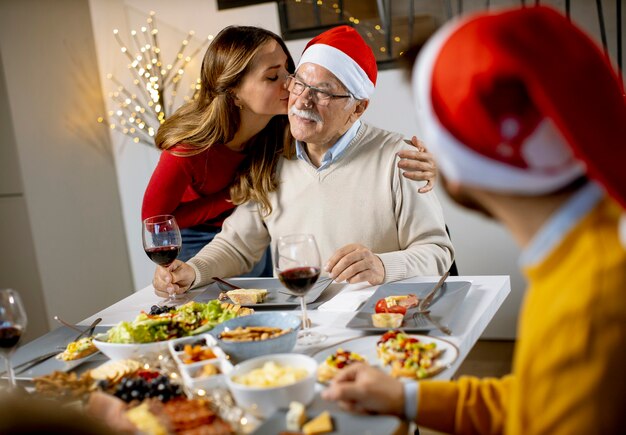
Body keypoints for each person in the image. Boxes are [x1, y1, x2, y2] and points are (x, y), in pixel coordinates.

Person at [322, 6, 626, 434]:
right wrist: (404, 396)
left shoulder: (586, 308)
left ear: (457, 163)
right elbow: (534, 403)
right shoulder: (591, 245)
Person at [152, 25, 454, 297]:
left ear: (358, 108)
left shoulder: (398, 158)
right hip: (302, 320)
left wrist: (383, 265)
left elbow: (438, 253)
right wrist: (194, 270)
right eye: (299, 84)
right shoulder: (271, 157)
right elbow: (237, 244)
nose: (303, 101)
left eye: (323, 92)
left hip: (382, 321)